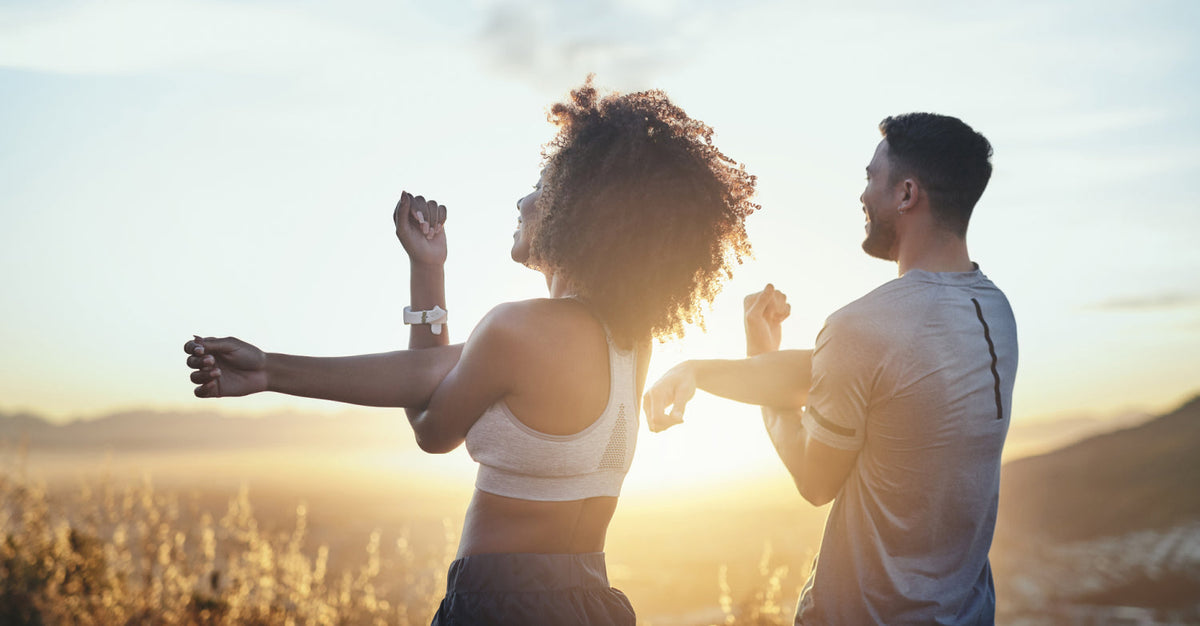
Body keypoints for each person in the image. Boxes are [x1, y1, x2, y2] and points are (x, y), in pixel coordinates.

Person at [184, 79, 757, 625]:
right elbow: (432, 370)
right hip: (592, 600)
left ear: (582, 210)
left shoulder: (520, 328)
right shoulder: (630, 341)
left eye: (544, 186)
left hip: (503, 606)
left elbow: (431, 424)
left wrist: (269, 371)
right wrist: (426, 269)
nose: (524, 199)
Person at [644, 113, 1017, 624]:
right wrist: (703, 369)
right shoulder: (994, 313)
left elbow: (814, 480)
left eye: (870, 178)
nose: (862, 195)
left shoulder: (863, 326)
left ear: (907, 194)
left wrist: (753, 372)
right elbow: (857, 377)